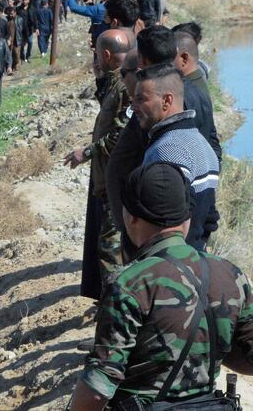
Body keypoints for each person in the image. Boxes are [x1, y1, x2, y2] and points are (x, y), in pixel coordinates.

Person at [70, 162, 253, 409]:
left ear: (130, 216)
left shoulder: (130, 283)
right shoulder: (230, 274)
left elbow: (98, 388)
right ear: (187, 217)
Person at [64, 29, 132, 299]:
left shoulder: (125, 87)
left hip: (117, 181)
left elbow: (121, 135)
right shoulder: (115, 83)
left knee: (110, 250)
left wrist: (88, 151)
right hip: (108, 178)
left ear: (105, 55)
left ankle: (114, 312)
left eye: (97, 55)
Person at [135, 64, 220, 251]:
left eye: (141, 99)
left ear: (166, 101)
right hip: (193, 259)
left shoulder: (168, 150)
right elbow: (210, 219)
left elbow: (163, 223)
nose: (134, 107)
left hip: (167, 266)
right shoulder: (199, 142)